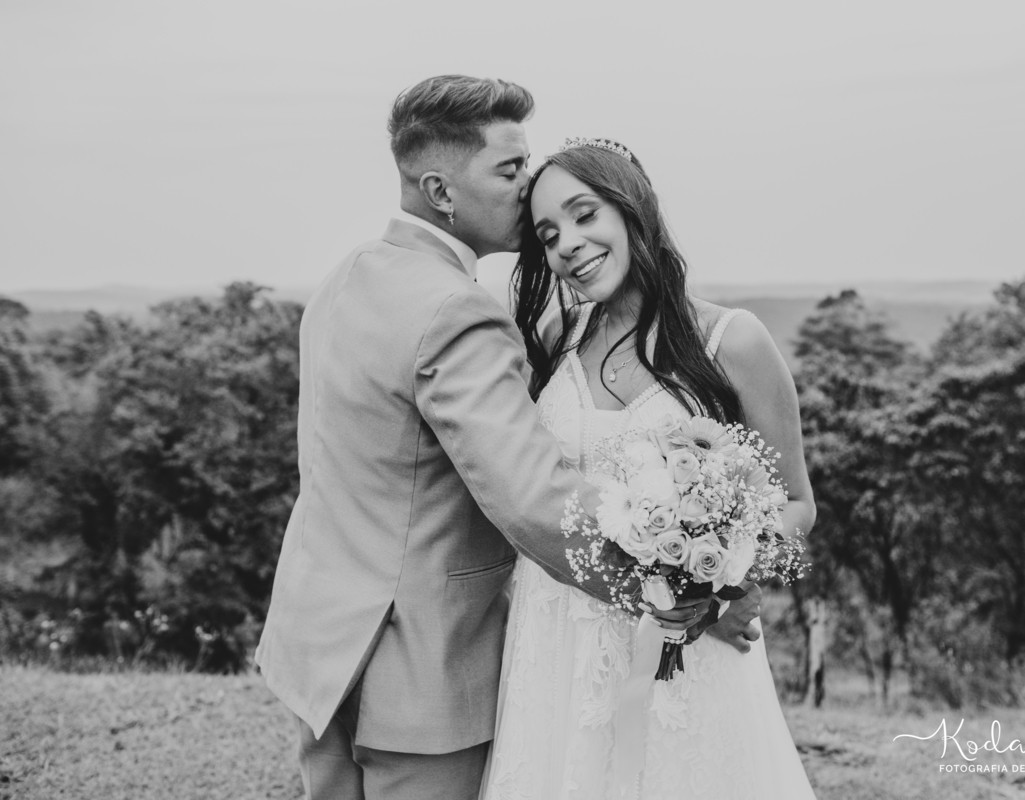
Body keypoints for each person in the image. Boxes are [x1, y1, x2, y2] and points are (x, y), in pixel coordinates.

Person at [254, 79, 726, 800]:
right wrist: (667, 589)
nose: (526, 186)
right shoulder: (456, 311)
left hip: (320, 651)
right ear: (442, 191)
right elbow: (536, 502)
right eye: (509, 171)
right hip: (421, 672)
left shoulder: (345, 278)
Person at [480, 138, 820, 799]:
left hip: (688, 642)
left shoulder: (733, 341)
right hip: (557, 635)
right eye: (548, 234)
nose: (567, 245)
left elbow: (797, 503)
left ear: (633, 209)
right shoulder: (554, 340)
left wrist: (720, 577)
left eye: (584, 215)